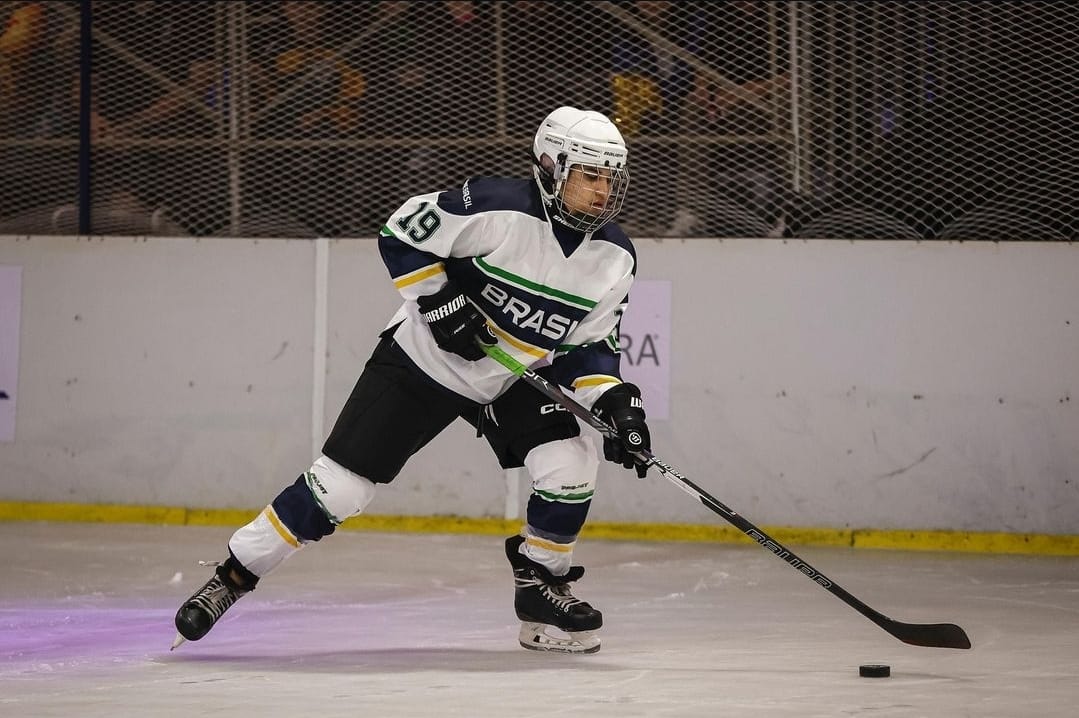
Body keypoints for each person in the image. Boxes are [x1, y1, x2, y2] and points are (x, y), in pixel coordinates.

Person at [172, 106, 652, 655]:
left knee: (571, 458)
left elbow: (586, 346)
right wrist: (442, 305)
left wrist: (618, 404)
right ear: (550, 165)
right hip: (423, 362)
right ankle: (233, 574)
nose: (602, 191)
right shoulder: (498, 208)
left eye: (611, 177)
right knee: (339, 489)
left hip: (508, 377)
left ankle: (539, 586)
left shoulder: (615, 257)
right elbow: (402, 232)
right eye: (590, 174)